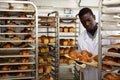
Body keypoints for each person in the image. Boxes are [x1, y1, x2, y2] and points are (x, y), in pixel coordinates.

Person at [77, 7, 119, 80]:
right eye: (83, 22)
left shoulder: (108, 32)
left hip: (106, 73)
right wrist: (79, 61)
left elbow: (118, 50)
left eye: (89, 20)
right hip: (89, 74)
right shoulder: (80, 38)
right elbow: (81, 58)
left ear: (94, 17)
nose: (86, 24)